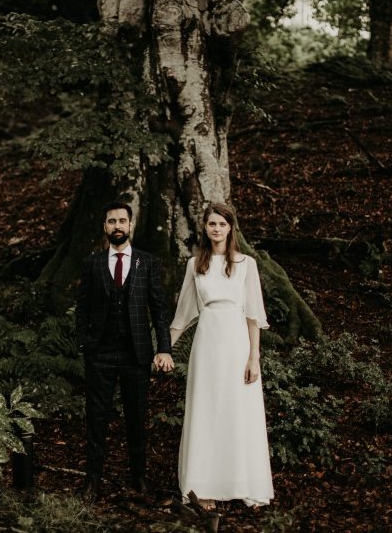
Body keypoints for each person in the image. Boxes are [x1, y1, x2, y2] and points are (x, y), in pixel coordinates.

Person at [170, 202, 274, 509]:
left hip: (237, 343)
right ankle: (203, 487)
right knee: (207, 409)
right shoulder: (195, 265)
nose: (217, 229)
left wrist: (254, 357)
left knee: (239, 411)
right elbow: (182, 316)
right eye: (212, 224)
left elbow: (253, 316)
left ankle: (245, 483)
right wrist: (164, 347)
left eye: (222, 224)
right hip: (207, 343)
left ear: (231, 228)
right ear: (204, 228)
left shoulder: (246, 264)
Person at [75, 201, 174, 502]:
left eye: (122, 221)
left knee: (136, 418)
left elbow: (159, 310)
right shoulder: (92, 263)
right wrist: (84, 343)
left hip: (137, 355)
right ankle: (93, 480)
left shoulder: (148, 263)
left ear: (131, 225)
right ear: (104, 226)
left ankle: (139, 477)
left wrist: (164, 348)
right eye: (111, 221)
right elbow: (82, 309)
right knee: (96, 419)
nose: (117, 226)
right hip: (100, 355)